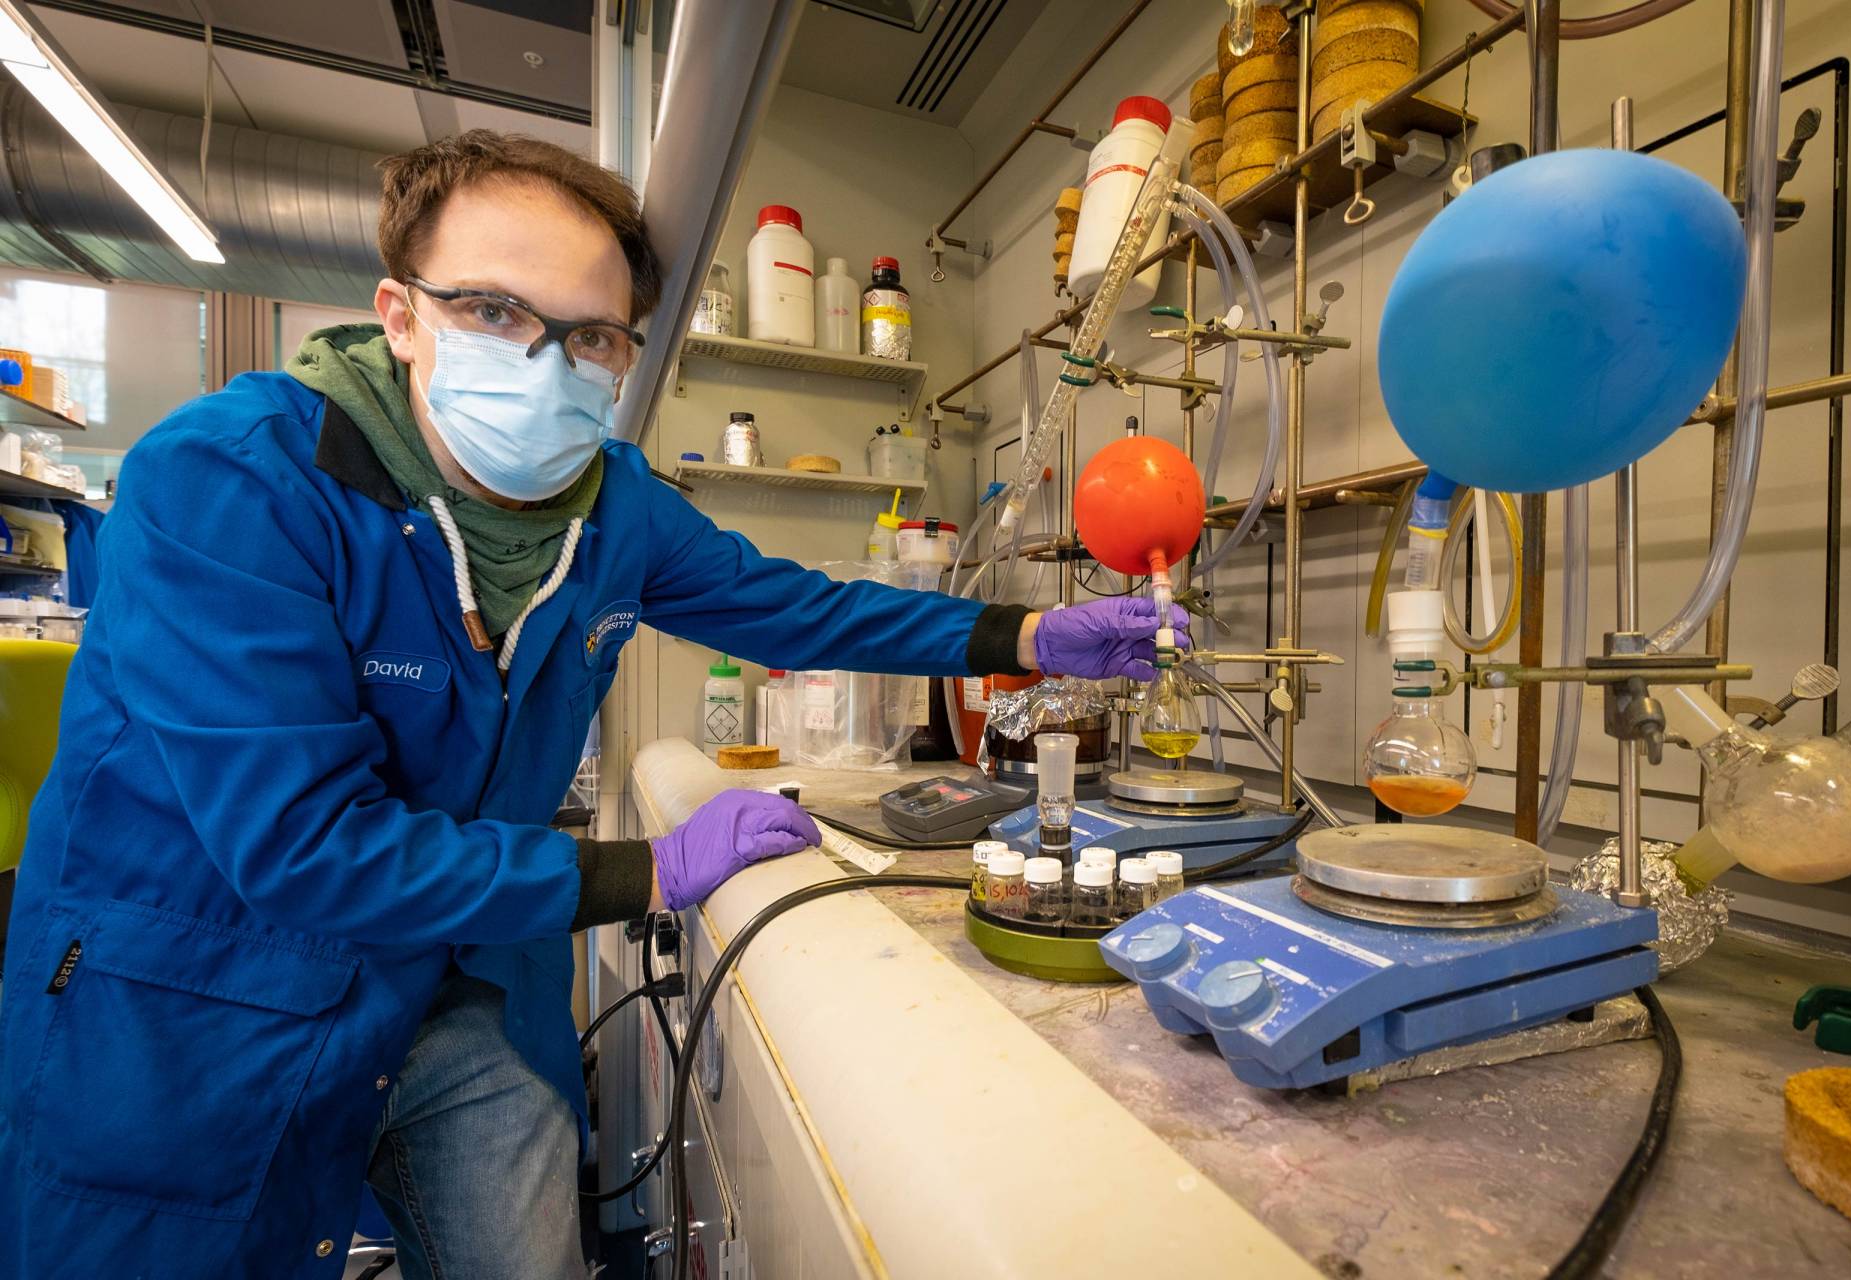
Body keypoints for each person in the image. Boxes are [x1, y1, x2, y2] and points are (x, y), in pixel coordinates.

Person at [0, 131, 1188, 1278]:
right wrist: (645, 873)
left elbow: (797, 608)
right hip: (197, 998)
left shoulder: (611, 505)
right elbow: (299, 847)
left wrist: (1026, 633)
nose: (544, 360)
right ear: (402, 315)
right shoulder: (230, 480)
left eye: (593, 336)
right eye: (493, 311)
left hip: (450, 974)